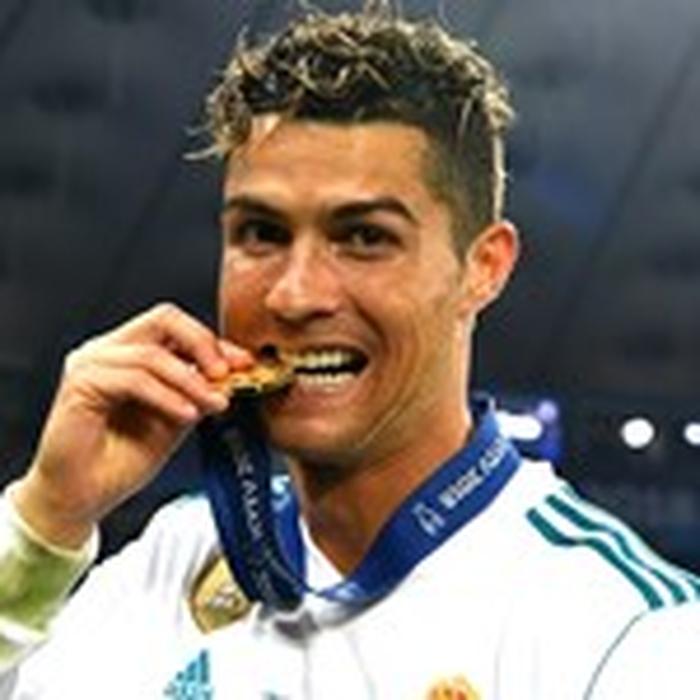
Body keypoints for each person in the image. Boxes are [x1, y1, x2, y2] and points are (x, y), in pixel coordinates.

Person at [1, 4, 699, 698]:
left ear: (483, 268)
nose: (295, 295)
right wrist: (44, 520)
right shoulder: (173, 560)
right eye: (261, 233)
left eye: (365, 237)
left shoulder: (629, 636)